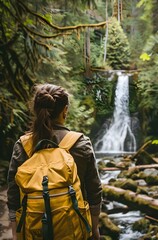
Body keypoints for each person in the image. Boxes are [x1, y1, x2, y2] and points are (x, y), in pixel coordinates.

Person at [7, 83, 102, 240]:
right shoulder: (81, 143)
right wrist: (94, 229)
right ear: (65, 111)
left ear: (36, 110)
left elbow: (13, 193)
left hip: (32, 231)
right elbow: (94, 191)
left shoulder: (23, 145)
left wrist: (15, 232)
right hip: (74, 231)